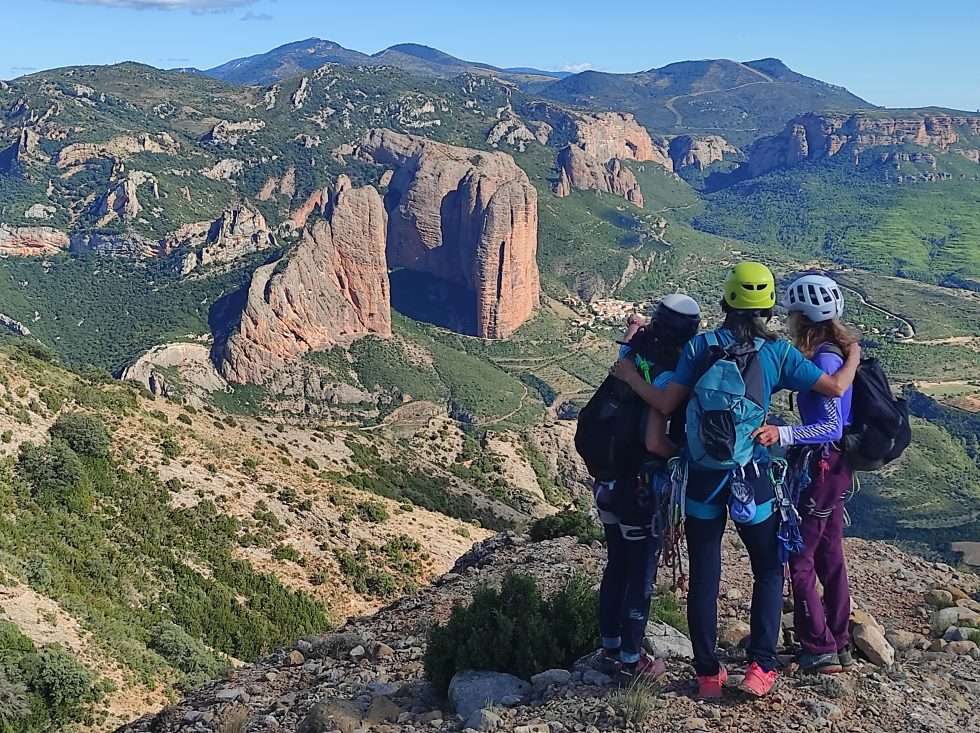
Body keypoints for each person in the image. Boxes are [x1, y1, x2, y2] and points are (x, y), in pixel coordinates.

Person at [610, 262, 861, 699]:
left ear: (726, 302)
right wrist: (853, 352)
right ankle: (761, 667)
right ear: (767, 308)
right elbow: (836, 389)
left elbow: (667, 403)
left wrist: (630, 373)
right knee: (767, 568)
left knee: (706, 573)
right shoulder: (778, 353)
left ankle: (708, 673)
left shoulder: (701, 347)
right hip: (752, 477)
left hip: (703, 477)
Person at [594, 293, 701, 686]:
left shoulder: (633, 354)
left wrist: (634, 329)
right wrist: (683, 455)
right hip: (639, 489)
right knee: (640, 572)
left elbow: (631, 342)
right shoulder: (667, 373)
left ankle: (610, 645)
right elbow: (656, 442)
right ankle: (630, 659)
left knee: (617, 562)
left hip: (606, 481)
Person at [753, 274, 858, 674]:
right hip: (834, 468)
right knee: (830, 553)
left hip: (822, 467)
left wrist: (784, 433)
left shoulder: (826, 359)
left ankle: (818, 646)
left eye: (794, 314)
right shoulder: (839, 352)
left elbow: (829, 426)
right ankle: (839, 638)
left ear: (803, 317)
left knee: (799, 556)